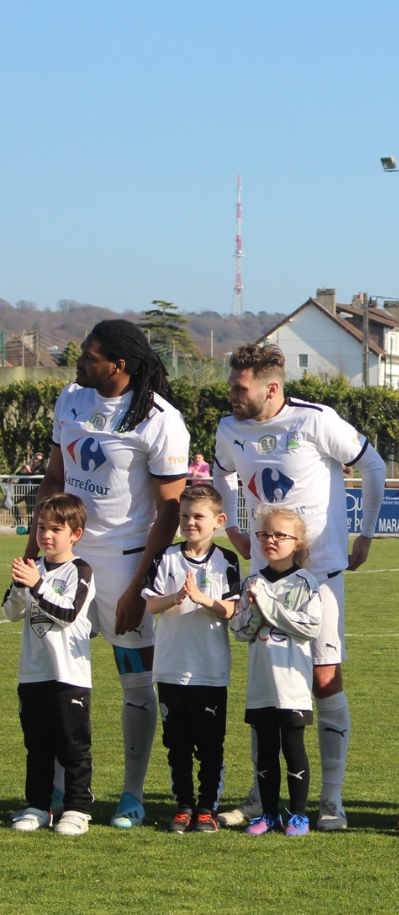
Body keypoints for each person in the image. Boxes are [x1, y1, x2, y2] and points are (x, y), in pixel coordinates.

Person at [213, 343, 386, 832]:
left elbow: (372, 466)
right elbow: (223, 472)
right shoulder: (229, 428)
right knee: (265, 682)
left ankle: (330, 799)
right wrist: (233, 528)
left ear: (271, 388)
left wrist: (366, 532)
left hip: (320, 574)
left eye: (238, 387)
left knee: (325, 678)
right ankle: (260, 793)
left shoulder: (315, 420)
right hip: (261, 576)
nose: (230, 394)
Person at [25, 319, 190, 830]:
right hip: (64, 560)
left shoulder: (161, 420)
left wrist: (142, 584)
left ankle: (132, 796)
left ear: (118, 365)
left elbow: (169, 511)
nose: (79, 362)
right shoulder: (71, 399)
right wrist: (37, 549)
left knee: (135, 682)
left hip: (123, 564)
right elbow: (55, 477)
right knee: (55, 677)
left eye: (89, 356)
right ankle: (58, 792)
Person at [141, 484, 241, 834]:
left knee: (210, 744)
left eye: (198, 516)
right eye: (185, 516)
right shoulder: (165, 557)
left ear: (219, 520)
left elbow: (232, 609)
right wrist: (175, 597)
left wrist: (201, 598)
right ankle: (183, 805)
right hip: (170, 667)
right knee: (177, 743)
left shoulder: (226, 560)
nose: (190, 522)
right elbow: (151, 604)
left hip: (209, 670)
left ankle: (207, 808)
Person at [5, 494, 95, 836]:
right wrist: (18, 586)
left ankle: (77, 809)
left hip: (69, 674)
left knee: (73, 746)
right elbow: (11, 613)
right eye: (42, 527)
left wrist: (37, 585)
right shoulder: (33, 568)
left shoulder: (80, 570)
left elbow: (68, 613)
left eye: (56, 529)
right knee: (38, 746)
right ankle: (38, 806)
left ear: (75, 534)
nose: (46, 535)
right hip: (33, 673)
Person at [230, 506, 322, 836]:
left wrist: (267, 607)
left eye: (280, 535)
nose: (271, 540)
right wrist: (255, 612)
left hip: (292, 683)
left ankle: (298, 815)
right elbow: (239, 630)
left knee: (293, 748)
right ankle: (268, 814)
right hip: (261, 682)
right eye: (265, 534)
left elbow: (310, 626)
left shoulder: (306, 582)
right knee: (265, 751)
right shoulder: (253, 581)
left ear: (297, 543)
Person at [11, 453, 45, 530]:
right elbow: (18, 474)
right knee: (10, 502)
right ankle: (19, 521)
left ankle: (30, 529)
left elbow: (38, 475)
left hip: (33, 493)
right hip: (23, 491)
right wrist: (22, 472)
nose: (37, 461)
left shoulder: (43, 470)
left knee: (31, 511)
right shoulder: (28, 467)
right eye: (36, 458)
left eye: (40, 460)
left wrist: (29, 471)